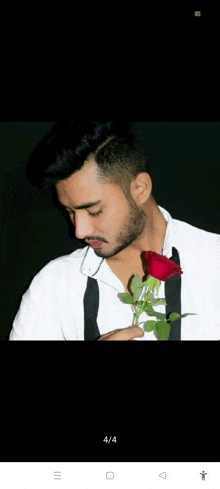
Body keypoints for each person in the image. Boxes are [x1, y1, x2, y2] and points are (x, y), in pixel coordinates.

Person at [9, 122, 220, 340]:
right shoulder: (54, 285)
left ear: (140, 189)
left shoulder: (215, 262)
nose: (79, 231)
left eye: (94, 211)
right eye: (70, 212)